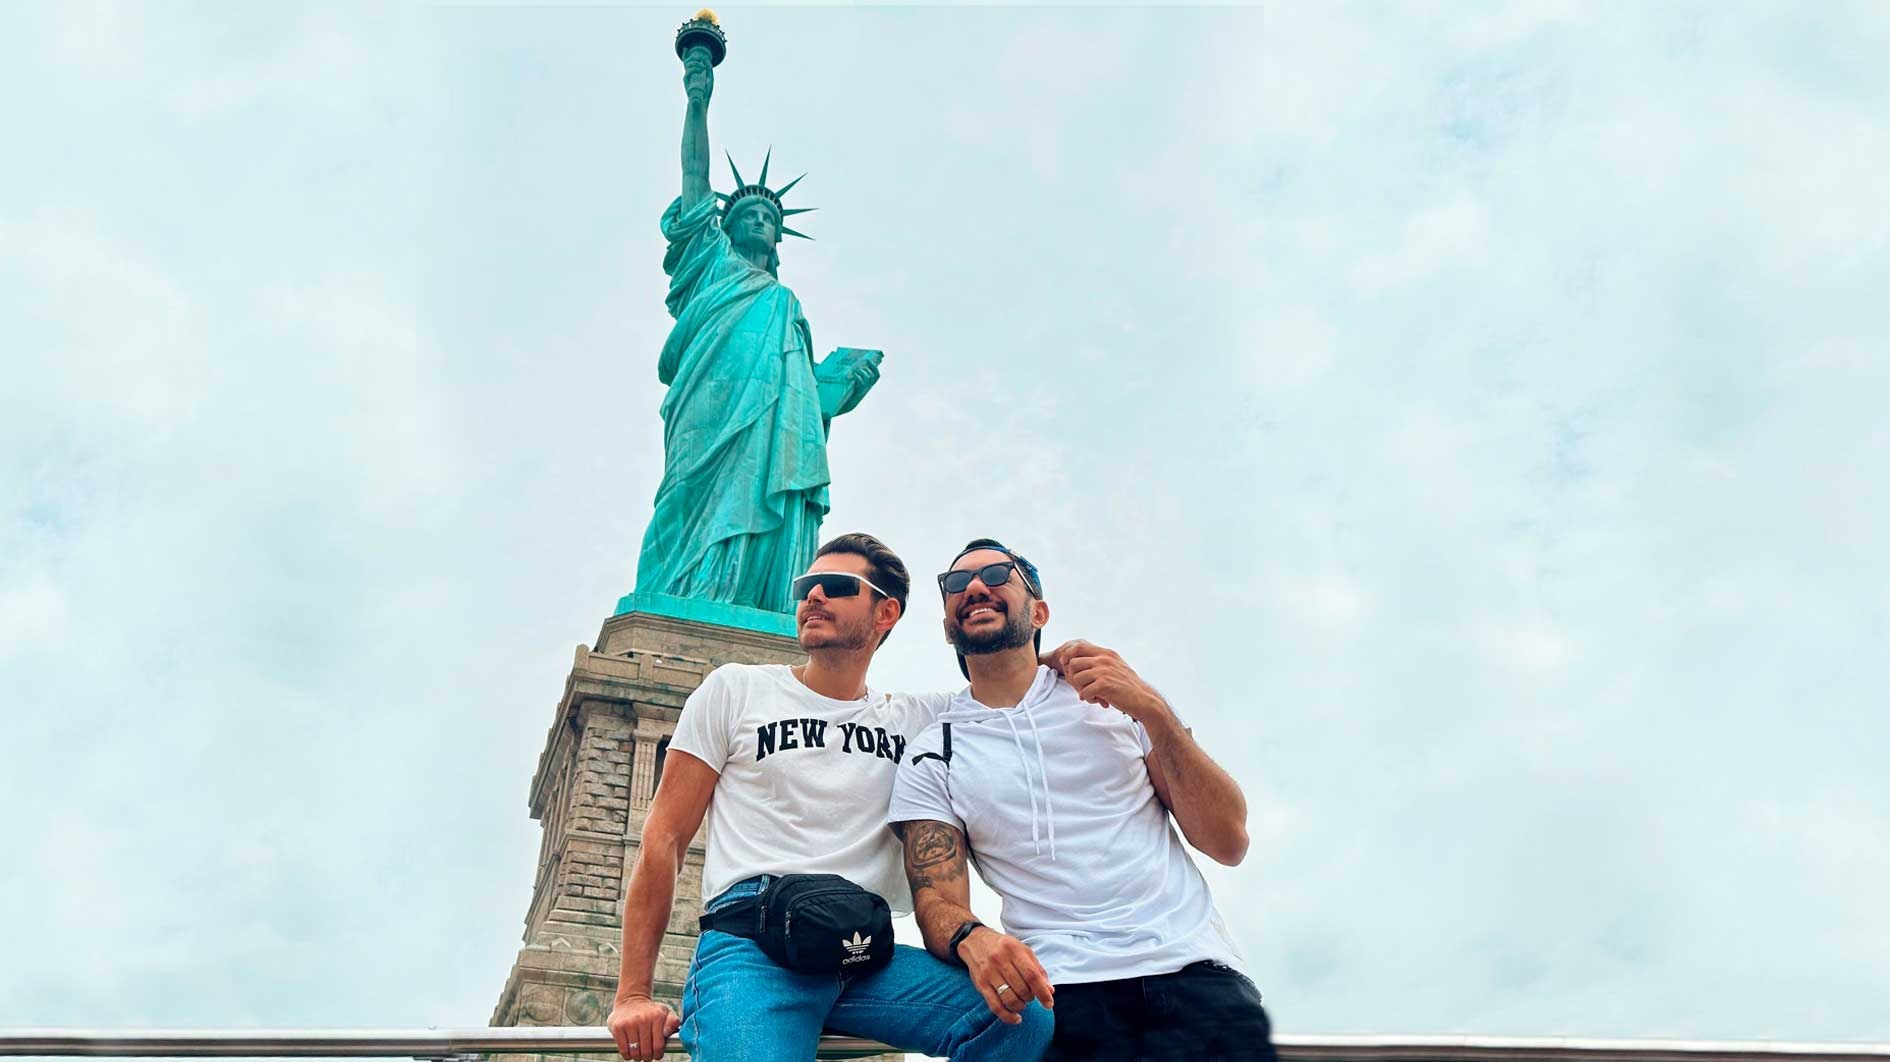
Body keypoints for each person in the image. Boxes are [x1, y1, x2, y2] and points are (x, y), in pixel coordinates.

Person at [606, 533, 1053, 1062]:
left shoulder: (919, 719)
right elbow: (665, 838)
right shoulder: (734, 690)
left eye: (837, 586)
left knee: (1020, 1018)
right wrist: (632, 993)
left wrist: (1060, 663)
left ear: (886, 613)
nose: (813, 596)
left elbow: (1009, 684)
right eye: (807, 586)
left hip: (866, 954)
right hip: (754, 948)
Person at [888, 539, 1275, 1061]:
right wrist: (971, 937)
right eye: (956, 584)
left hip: (1193, 975)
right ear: (947, 625)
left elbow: (1228, 840)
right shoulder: (934, 751)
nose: (975, 587)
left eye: (998, 575)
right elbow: (936, 898)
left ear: (1040, 610)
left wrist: (1153, 711)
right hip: (1059, 997)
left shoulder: (1119, 700)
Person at [632, 32, 883, 612]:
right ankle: (674, 597)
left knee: (766, 497)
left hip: (772, 432)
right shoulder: (710, 265)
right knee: (685, 495)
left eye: (769, 217)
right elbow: (695, 176)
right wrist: (698, 94)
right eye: (747, 214)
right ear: (727, 225)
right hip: (707, 406)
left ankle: (751, 604)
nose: (760, 223)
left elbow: (804, 402)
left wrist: (839, 387)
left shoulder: (786, 305)